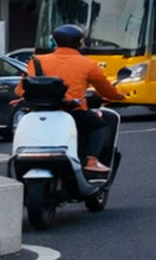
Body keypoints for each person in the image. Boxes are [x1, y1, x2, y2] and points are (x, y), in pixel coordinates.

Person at [19, 24, 124, 173]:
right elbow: (106, 90)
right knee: (99, 125)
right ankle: (91, 160)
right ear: (79, 42)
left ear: (55, 41)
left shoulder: (37, 61)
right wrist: (119, 96)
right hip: (73, 113)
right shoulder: (88, 64)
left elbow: (22, 88)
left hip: (39, 114)